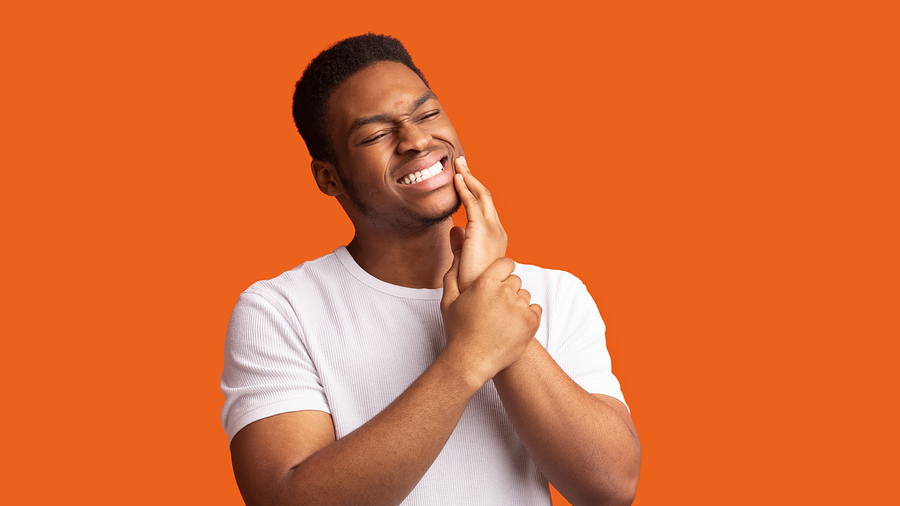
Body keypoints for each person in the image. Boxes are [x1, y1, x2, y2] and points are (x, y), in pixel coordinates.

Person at [221, 33, 641, 506]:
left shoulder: (555, 293)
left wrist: (487, 292)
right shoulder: (282, 310)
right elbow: (288, 500)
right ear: (329, 177)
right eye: (377, 134)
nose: (417, 140)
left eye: (427, 114)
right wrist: (468, 358)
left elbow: (610, 485)